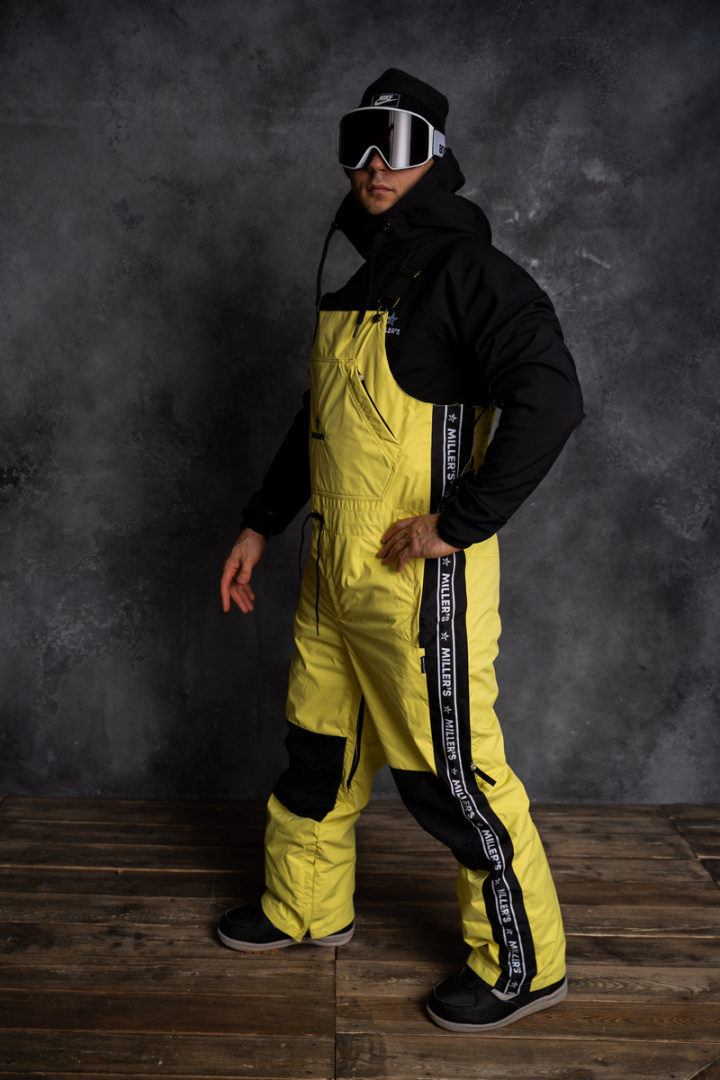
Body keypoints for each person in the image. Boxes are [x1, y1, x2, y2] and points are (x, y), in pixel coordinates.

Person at [217, 68, 584, 1032]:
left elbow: (552, 399)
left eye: (402, 145)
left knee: (452, 778)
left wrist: (456, 522)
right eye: (361, 143)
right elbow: (319, 426)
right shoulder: (359, 283)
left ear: (437, 158)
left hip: (419, 586)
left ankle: (523, 965)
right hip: (332, 574)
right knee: (317, 751)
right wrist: (261, 522)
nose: (377, 165)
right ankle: (305, 907)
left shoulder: (470, 274)